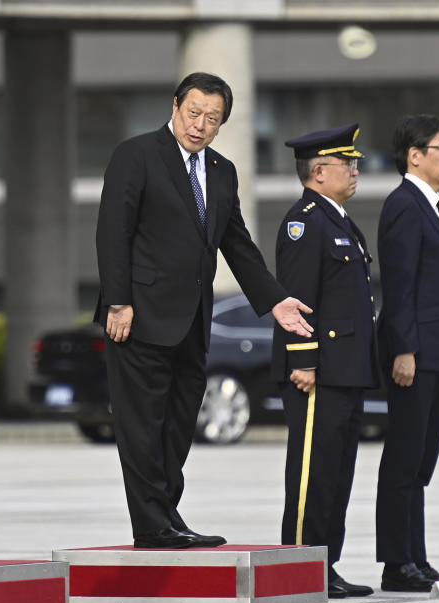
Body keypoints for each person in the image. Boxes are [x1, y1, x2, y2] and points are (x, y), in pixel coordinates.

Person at [95, 72, 312, 550]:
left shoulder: (222, 171)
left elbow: (237, 243)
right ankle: (151, 525)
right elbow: (113, 232)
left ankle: (166, 514)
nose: (199, 125)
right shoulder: (137, 155)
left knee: (179, 420)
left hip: (193, 320)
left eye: (212, 119)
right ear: (175, 106)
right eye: (193, 112)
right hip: (139, 316)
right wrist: (119, 300)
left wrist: (274, 299)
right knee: (142, 425)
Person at [272, 124, 378, 598]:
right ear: (318, 172)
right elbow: (297, 300)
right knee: (313, 472)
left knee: (337, 473)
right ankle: (298, 566)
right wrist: (303, 360)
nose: (355, 170)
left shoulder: (340, 221)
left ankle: (325, 564)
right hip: (319, 371)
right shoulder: (304, 222)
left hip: (347, 370)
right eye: (346, 164)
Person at [374, 114, 439, 592]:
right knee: (405, 459)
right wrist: (404, 349)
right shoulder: (405, 205)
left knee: (422, 462)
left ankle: (416, 556)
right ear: (415, 156)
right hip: (418, 353)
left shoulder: (436, 207)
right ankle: (396, 562)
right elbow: (400, 285)